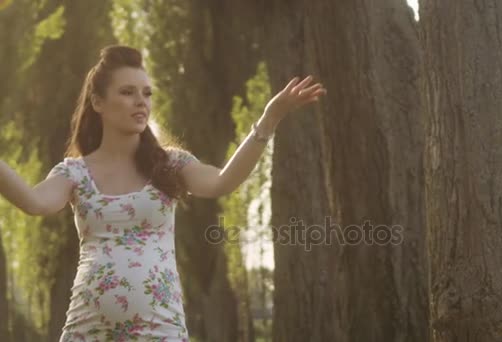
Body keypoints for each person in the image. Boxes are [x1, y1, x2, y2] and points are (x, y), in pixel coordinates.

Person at [0, 45, 326, 341]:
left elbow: (223, 181)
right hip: (87, 330)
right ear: (98, 102)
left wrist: (269, 119)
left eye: (146, 93)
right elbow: (33, 202)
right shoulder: (73, 172)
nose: (141, 101)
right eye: (127, 92)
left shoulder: (170, 165)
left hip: (161, 330)